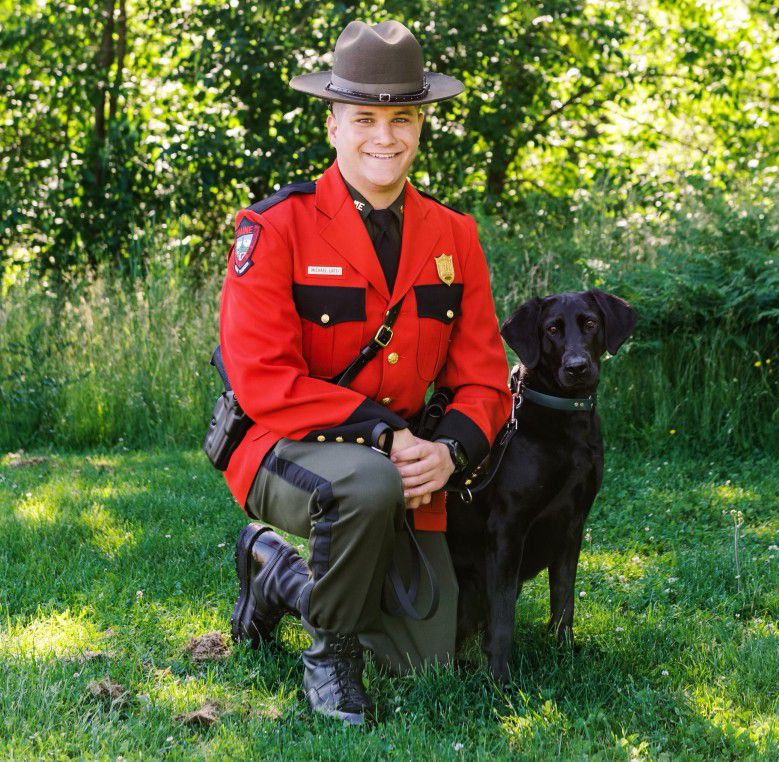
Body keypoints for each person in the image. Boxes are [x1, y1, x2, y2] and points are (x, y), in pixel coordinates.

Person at [217, 19, 511, 725]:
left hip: (407, 466)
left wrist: (447, 453)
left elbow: (484, 380)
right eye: (364, 118)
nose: (384, 136)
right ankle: (330, 657)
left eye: (401, 118)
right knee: (368, 483)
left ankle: (275, 572)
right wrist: (387, 439)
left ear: (419, 126)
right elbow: (262, 380)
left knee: (423, 659)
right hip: (277, 448)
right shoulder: (275, 227)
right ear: (332, 125)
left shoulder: (453, 235)